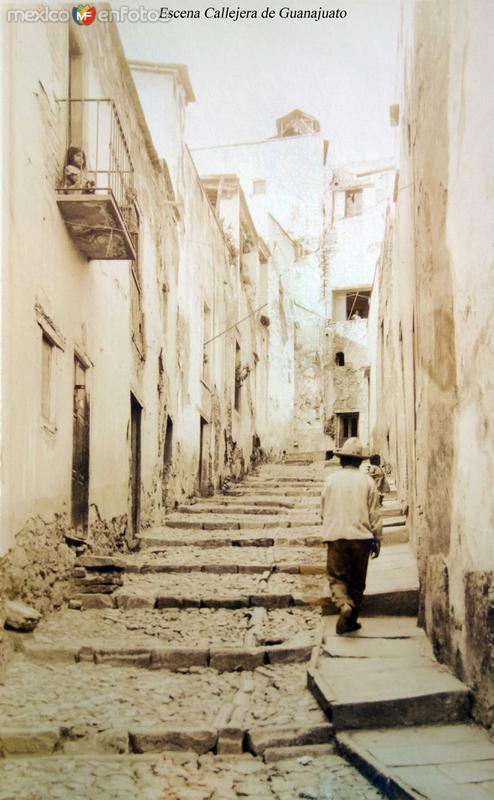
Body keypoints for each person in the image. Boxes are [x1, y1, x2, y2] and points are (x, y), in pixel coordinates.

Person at [321, 437, 382, 635]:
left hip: (336, 536)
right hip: (361, 538)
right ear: (359, 462)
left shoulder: (331, 480)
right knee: (357, 582)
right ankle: (351, 619)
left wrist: (329, 527)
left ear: (341, 460)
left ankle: (343, 606)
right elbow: (374, 513)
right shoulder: (368, 481)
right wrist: (377, 538)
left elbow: (324, 509)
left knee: (337, 578)